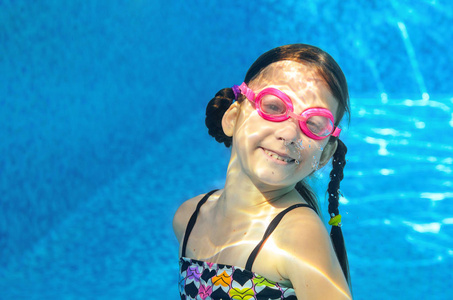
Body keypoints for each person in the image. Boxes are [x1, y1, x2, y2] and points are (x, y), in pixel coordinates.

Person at [173, 44, 352, 299]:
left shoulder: (299, 238)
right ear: (232, 118)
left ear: (323, 155)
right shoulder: (188, 219)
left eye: (314, 124)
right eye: (274, 107)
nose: (289, 134)